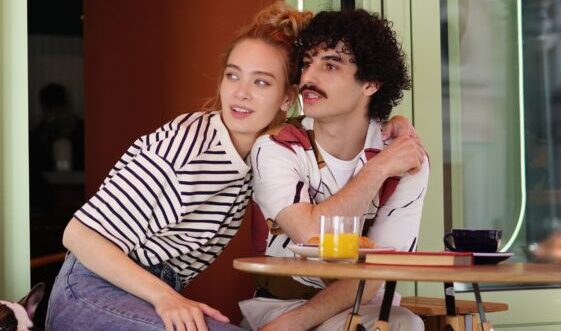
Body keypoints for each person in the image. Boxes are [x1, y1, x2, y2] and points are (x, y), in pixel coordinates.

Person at [45, 3, 416, 331]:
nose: (241, 92)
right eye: (233, 75)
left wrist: (390, 125)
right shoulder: (185, 145)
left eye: (261, 82)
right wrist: (166, 298)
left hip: (143, 294)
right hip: (89, 292)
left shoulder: (266, 149)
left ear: (287, 98)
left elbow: (340, 127)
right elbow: (78, 235)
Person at [241, 9, 429, 331]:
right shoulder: (276, 147)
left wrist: (297, 324)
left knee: (405, 325)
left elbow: (379, 271)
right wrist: (378, 169)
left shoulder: (406, 159)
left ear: (370, 82)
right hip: (279, 308)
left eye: (329, 65)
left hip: (362, 308)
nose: (308, 78)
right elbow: (312, 235)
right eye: (307, 63)